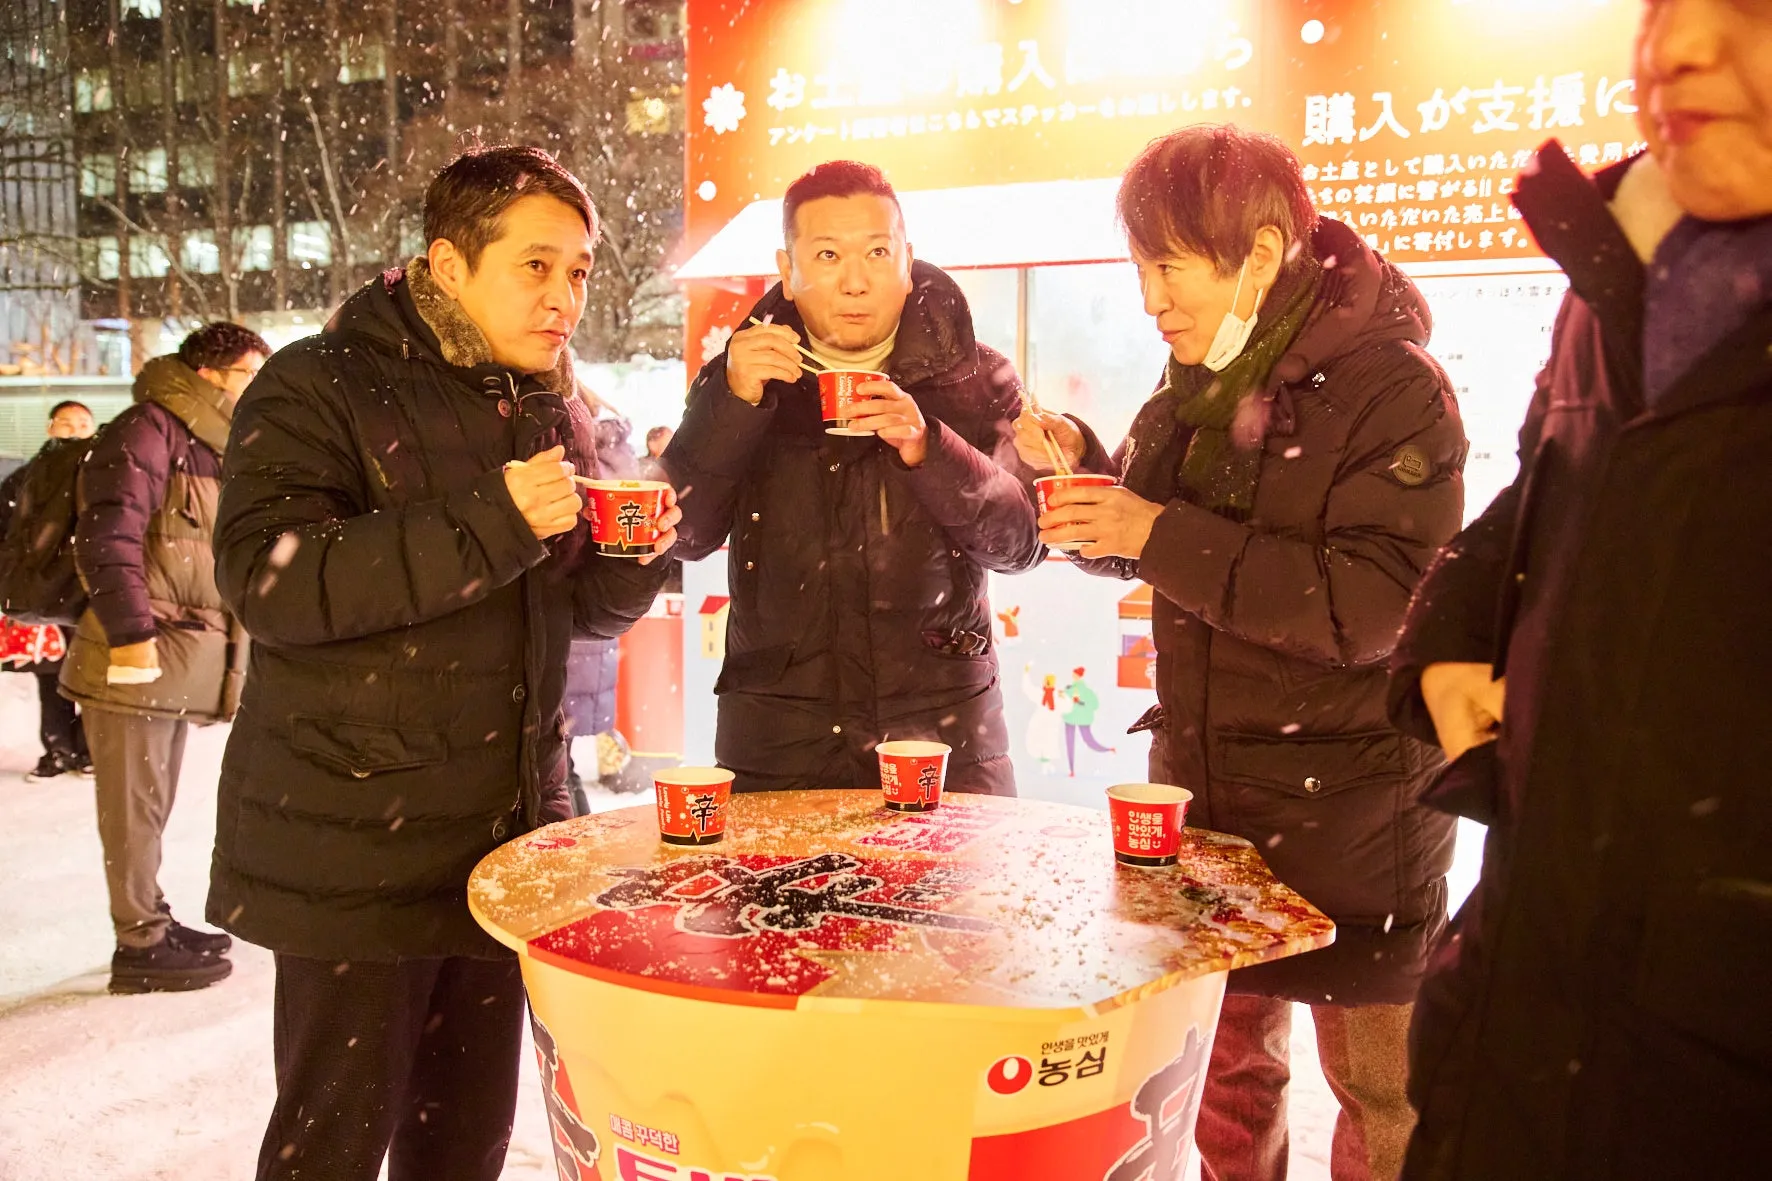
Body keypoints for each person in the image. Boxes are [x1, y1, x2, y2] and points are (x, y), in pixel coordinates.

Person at [207, 145, 680, 1181]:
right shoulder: (316, 382)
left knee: (462, 1142)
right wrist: (493, 518)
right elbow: (270, 583)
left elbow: (572, 611)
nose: (564, 296)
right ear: (447, 263)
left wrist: (635, 560)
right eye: (536, 265)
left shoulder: (554, 403)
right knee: (329, 1143)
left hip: (499, 847)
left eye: (580, 271)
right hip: (356, 849)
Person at [1016, 125, 1466, 1181]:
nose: (1149, 298)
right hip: (1210, 811)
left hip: (1356, 813)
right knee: (1220, 1079)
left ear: (1259, 254)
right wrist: (1090, 479)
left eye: (1167, 267)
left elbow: (1375, 605)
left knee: (1382, 1096)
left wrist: (1148, 530)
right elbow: (1153, 537)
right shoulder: (1200, 380)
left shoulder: (1395, 387)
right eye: (1139, 270)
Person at [1387, 3, 1772, 1176]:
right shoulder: (1617, 264)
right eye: (1664, 6)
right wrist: (1449, 641)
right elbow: (1544, 500)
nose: (1676, 47)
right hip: (1520, 1008)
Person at [663, 160, 1041, 794]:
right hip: (781, 743)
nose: (855, 281)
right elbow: (686, 532)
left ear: (907, 257)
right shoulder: (738, 376)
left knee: (947, 898)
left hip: (941, 739)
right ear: (787, 269)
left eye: (876, 252)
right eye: (829, 254)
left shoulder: (975, 378)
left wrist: (929, 448)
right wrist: (732, 404)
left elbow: (1022, 543)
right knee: (777, 898)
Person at [59, 323, 267, 994]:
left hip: (168, 661)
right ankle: (139, 942)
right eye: (248, 374)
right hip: (134, 659)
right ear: (211, 374)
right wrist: (130, 634)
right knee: (131, 811)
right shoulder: (148, 428)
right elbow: (108, 530)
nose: (256, 388)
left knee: (151, 806)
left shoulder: (205, 439)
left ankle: (149, 917)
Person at [0, 399, 97, 781]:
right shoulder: (23, 479)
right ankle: (58, 749)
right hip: (41, 591)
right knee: (51, 674)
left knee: (91, 668)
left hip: (90, 587)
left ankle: (88, 749)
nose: (73, 431)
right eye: (65, 423)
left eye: (82, 423)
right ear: (49, 428)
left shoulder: (104, 474)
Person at [1060, 666, 1113, 776]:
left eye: (1075, 675)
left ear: (1079, 676)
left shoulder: (1086, 691)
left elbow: (1094, 705)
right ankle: (1071, 770)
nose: (1073, 677)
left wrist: (1080, 702)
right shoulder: (1069, 689)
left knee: (1088, 740)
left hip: (1082, 719)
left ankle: (1108, 750)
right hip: (1070, 718)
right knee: (1071, 743)